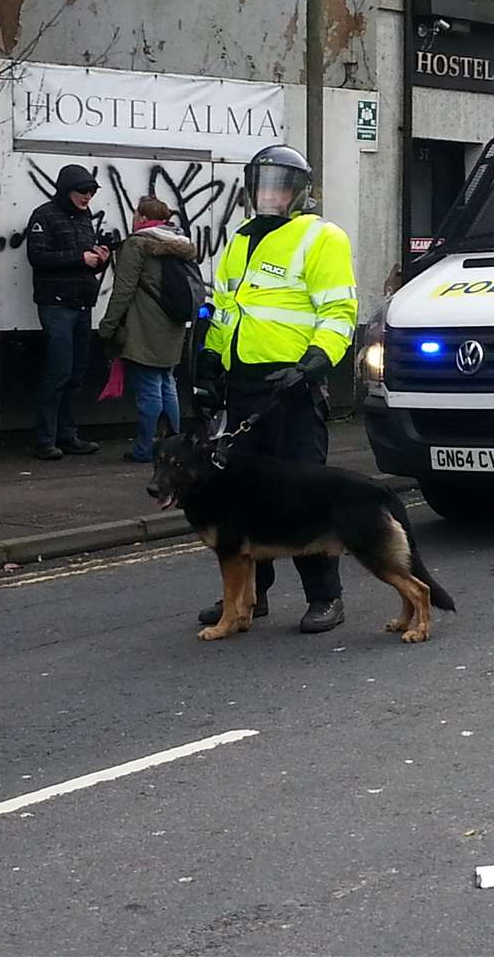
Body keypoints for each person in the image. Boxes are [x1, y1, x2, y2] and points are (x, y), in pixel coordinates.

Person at [194, 144, 358, 634]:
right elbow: (225, 312)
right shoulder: (239, 240)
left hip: (291, 388)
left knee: (302, 494)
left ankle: (326, 597)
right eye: (263, 185)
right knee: (242, 496)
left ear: (299, 193)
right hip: (243, 386)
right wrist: (208, 362)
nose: (271, 194)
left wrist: (312, 364)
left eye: (281, 186)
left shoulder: (321, 237)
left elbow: (338, 313)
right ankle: (249, 597)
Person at [97, 196, 197, 463]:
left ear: (141, 217)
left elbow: (124, 289)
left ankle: (145, 449)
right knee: (167, 384)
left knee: (149, 389)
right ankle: (173, 446)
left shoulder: (138, 243)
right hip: (173, 326)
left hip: (145, 327)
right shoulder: (179, 243)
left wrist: (108, 325)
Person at [26, 164, 111, 461]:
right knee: (58, 371)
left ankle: (67, 434)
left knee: (76, 373)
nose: (88, 197)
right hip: (56, 303)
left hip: (81, 303)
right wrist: (80, 258)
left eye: (91, 192)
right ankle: (45, 439)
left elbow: (86, 261)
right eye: (82, 191)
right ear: (66, 190)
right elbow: (37, 257)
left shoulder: (85, 218)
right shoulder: (44, 215)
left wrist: (100, 259)